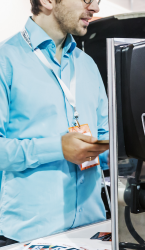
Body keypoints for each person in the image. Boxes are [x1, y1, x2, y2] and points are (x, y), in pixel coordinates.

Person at [0, 0, 110, 245]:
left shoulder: (88, 65)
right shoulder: (5, 60)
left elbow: (105, 135)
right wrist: (57, 148)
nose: (95, 9)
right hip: (31, 236)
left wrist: (119, 150)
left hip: (92, 229)